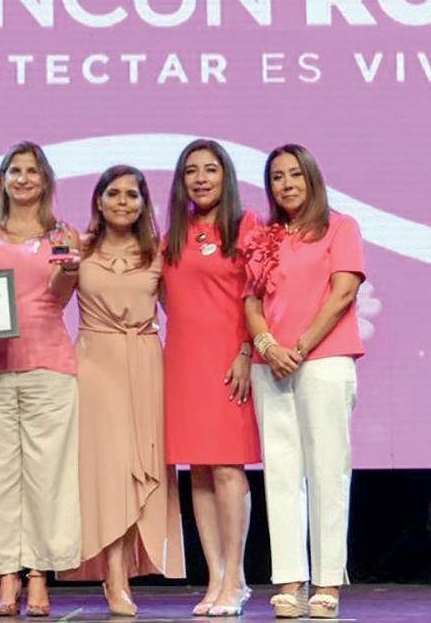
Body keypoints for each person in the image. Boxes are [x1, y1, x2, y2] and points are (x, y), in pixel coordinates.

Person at [243, 144, 365, 621]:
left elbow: (343, 292)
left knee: (328, 470)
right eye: (277, 177)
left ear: (311, 178)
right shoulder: (263, 236)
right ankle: (289, 581)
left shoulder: (340, 226)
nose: (287, 184)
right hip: (271, 364)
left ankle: (328, 580)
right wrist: (269, 346)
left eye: (295, 174)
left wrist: (300, 346)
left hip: (323, 361)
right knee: (280, 473)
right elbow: (251, 302)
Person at [59, 165, 185, 616]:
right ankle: (114, 575)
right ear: (98, 199)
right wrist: (62, 269)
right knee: (108, 471)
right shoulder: (77, 246)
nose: (123, 202)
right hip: (95, 364)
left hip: (147, 362)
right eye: (114, 193)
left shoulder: (159, 251)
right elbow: (51, 301)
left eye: (132, 195)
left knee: (140, 468)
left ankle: (128, 569)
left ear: (143, 203)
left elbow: (181, 310)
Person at [0, 141, 81, 617]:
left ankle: (37, 574)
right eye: (15, 170)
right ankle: (6, 574)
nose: (23, 178)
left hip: (50, 364)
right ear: (3, 179)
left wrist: (69, 270)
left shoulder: (63, 232)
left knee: (47, 476)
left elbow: (60, 295)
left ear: (45, 180)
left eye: (32, 171)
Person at [161, 139, 261, 617]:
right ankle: (215, 577)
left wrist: (245, 350)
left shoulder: (247, 226)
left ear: (226, 177)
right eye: (191, 171)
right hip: (183, 362)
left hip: (229, 361)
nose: (200, 179)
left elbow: (257, 295)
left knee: (226, 469)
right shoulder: (173, 235)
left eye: (210, 170)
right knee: (198, 470)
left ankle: (236, 577)